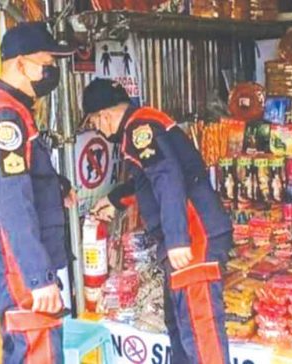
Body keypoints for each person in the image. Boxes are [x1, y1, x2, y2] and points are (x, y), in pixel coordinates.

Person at [81, 78, 233, 364]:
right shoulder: (143, 123)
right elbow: (149, 180)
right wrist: (116, 200)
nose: (97, 130)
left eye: (94, 124)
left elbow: (167, 177)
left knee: (200, 331)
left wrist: (177, 239)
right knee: (179, 324)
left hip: (192, 235)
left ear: (104, 115)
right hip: (188, 234)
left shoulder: (140, 128)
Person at [0, 21, 75, 363]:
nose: (53, 72)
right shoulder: (3, 119)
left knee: (33, 350)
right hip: (17, 268)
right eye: (47, 65)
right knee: (36, 352)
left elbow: (25, 178)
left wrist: (57, 189)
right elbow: (11, 205)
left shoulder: (15, 110)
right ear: (21, 64)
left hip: (19, 263)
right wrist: (39, 278)